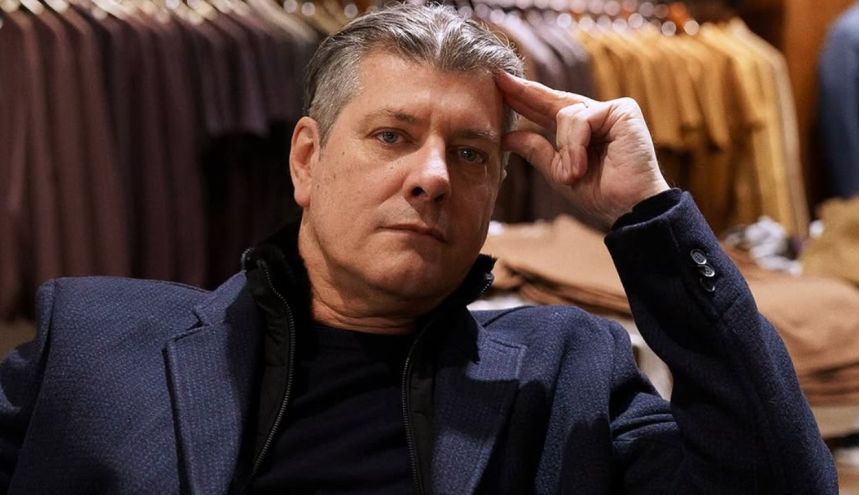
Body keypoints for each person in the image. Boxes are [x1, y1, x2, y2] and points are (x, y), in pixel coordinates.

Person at [0, 4, 837, 494]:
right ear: (306, 159)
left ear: (495, 189)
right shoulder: (93, 344)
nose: (432, 176)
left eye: (468, 153)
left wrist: (647, 214)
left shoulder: (568, 374)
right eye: (392, 136)